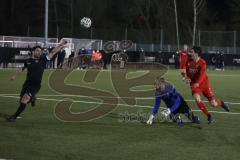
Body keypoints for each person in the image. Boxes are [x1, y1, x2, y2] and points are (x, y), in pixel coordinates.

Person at [6, 40, 67, 122]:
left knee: (24, 100)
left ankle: (14, 117)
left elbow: (52, 52)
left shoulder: (43, 60)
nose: (39, 52)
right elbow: (22, 68)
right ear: (33, 51)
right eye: (37, 51)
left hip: (35, 85)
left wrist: (60, 45)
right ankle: (32, 99)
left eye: (40, 51)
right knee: (21, 101)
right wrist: (15, 76)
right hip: (27, 84)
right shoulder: (28, 61)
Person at [181, 46, 230, 124]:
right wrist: (186, 78)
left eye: (192, 52)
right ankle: (209, 117)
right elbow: (185, 72)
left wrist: (198, 83)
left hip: (204, 84)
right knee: (197, 99)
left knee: (213, 104)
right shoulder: (188, 61)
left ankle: (222, 103)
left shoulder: (202, 62)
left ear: (196, 54)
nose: (190, 53)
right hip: (194, 85)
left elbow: (203, 75)